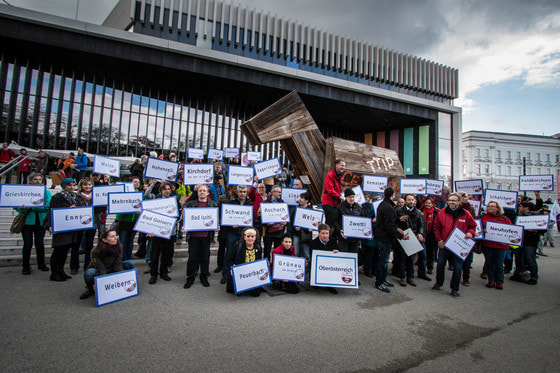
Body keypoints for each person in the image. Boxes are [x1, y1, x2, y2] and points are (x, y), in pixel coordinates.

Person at [431, 192, 477, 298]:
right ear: (447, 201)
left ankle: (454, 289)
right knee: (441, 265)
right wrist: (439, 240)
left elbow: (473, 226)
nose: (451, 202)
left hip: (458, 246)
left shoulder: (466, 214)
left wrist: (471, 233)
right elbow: (436, 227)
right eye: (450, 200)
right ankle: (438, 283)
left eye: (454, 200)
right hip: (444, 244)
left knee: (457, 268)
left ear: (459, 202)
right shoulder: (441, 213)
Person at [79, 229, 135, 300]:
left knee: (130, 263)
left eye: (116, 235)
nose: (116, 238)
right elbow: (100, 267)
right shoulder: (95, 251)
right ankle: (90, 289)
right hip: (99, 269)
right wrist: (102, 282)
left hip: (112, 267)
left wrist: (126, 278)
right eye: (112, 236)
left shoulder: (119, 246)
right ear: (104, 240)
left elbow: (118, 263)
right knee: (89, 273)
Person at [14, 172, 51, 275]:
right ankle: (25, 266)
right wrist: (22, 208)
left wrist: (31, 206)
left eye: (40, 179)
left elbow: (46, 207)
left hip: (40, 223)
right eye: (35, 179)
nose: (38, 181)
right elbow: (16, 207)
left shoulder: (46, 193)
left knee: (39, 243)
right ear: (30, 181)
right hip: (26, 222)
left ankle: (41, 264)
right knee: (27, 244)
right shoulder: (24, 192)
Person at [44, 178, 81, 282]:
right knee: (58, 250)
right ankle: (54, 273)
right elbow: (52, 211)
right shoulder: (57, 197)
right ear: (64, 186)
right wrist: (50, 225)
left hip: (71, 227)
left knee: (65, 251)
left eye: (73, 185)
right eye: (69, 185)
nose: (72, 187)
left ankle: (61, 271)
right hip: (60, 227)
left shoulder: (75, 197)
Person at [184, 184, 217, 289]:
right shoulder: (191, 204)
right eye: (200, 191)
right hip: (194, 236)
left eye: (204, 190)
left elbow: (215, 218)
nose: (202, 192)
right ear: (197, 193)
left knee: (205, 257)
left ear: (207, 193)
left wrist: (216, 225)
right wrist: (184, 226)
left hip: (206, 236)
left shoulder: (212, 204)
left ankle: (204, 276)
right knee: (192, 257)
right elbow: (185, 217)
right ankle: (190, 277)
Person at [373, 188, 407, 293]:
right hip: (384, 238)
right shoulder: (388, 207)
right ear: (392, 195)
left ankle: (383, 279)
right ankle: (379, 282)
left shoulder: (384, 204)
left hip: (383, 236)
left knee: (385, 260)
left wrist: (397, 220)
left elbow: (387, 220)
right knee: (383, 261)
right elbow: (388, 226)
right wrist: (400, 236)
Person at [394, 194, 430, 287]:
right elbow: (393, 222)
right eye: (409, 200)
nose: (411, 201)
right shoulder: (398, 210)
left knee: (411, 258)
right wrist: (399, 220)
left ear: (415, 201)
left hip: (412, 237)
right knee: (401, 257)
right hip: (402, 236)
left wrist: (420, 233)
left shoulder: (419, 212)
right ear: (405, 201)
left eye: (412, 200)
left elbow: (421, 225)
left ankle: (410, 277)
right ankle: (402, 277)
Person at [146, 181, 178, 284]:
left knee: (166, 254)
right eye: (165, 189)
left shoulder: (174, 200)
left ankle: (163, 273)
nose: (167, 191)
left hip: (169, 232)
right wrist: (152, 184)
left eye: (169, 189)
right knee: (155, 255)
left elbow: (178, 215)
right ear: (161, 190)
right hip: (156, 232)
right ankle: (153, 274)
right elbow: (146, 195)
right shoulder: (156, 199)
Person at [221, 184, 253, 284]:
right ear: (237, 192)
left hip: (244, 232)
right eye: (240, 192)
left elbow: (251, 219)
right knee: (229, 252)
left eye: (244, 192)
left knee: (243, 253)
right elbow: (226, 218)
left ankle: (242, 274)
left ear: (246, 192)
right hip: (233, 232)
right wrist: (231, 224)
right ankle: (226, 274)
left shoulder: (249, 204)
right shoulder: (231, 203)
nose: (242, 194)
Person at [480, 201, 512, 289]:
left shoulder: (504, 219)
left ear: (498, 208)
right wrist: (482, 230)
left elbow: (510, 231)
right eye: (489, 206)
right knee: (489, 263)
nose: (490, 208)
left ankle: (499, 281)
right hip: (488, 244)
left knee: (499, 264)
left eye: (493, 206)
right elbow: (478, 228)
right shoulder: (483, 217)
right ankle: (491, 280)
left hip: (501, 246)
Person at [226, 227, 264, 296]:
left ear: (255, 237)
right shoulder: (238, 247)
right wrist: (232, 266)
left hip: (252, 274)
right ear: (244, 237)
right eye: (248, 236)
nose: (250, 239)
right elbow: (229, 259)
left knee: (256, 294)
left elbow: (259, 262)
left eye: (252, 236)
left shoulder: (258, 247)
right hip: (241, 275)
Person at [512, 201, 543, 285]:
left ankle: (534, 277)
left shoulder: (535, 216)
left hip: (530, 241)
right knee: (518, 258)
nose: (519, 208)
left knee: (530, 259)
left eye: (521, 206)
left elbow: (543, 228)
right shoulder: (519, 216)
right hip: (519, 240)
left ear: (526, 208)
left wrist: (534, 230)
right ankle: (519, 274)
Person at [73, 177, 97, 274]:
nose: (87, 186)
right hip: (79, 223)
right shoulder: (76, 196)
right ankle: (74, 267)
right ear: (81, 186)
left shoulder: (96, 196)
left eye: (89, 184)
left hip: (91, 223)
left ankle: (87, 265)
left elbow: (99, 210)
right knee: (76, 245)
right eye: (85, 185)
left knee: (89, 246)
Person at [114, 176, 141, 261]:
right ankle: (123, 259)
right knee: (123, 241)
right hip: (124, 221)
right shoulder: (123, 193)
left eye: (138, 182)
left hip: (134, 222)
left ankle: (128, 258)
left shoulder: (140, 194)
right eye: (135, 182)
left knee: (130, 242)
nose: (137, 183)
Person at [309, 224, 339, 294]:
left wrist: (337, 251)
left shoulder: (333, 240)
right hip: (318, 264)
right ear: (319, 233)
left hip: (330, 263)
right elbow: (312, 257)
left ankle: (330, 284)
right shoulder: (313, 243)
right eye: (323, 233)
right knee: (315, 286)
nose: (325, 235)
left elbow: (338, 250)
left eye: (326, 233)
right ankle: (316, 280)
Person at [332, 188, 362, 253]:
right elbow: (334, 221)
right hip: (344, 237)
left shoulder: (358, 207)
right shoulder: (340, 207)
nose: (352, 199)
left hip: (355, 237)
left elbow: (362, 219)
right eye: (350, 197)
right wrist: (340, 230)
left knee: (353, 254)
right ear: (346, 197)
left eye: (353, 197)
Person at [260, 185, 286, 259]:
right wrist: (266, 222)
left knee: (278, 252)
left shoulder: (282, 203)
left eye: (280, 192)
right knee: (267, 251)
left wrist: (285, 222)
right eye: (278, 192)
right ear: (272, 192)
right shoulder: (265, 203)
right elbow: (261, 217)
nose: (280, 194)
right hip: (268, 232)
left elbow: (285, 216)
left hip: (279, 232)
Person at [288, 191, 313, 267]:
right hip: (297, 234)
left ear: (307, 200)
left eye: (302, 198)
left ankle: (307, 271)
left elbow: (314, 222)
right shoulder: (295, 209)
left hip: (306, 235)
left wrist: (311, 228)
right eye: (300, 197)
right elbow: (291, 221)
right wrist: (294, 227)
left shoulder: (311, 210)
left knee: (306, 254)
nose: (300, 199)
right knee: (296, 253)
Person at [321, 159, 345, 227]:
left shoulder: (339, 177)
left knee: (335, 222)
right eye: (342, 165)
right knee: (330, 223)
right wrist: (340, 197)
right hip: (329, 203)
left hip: (336, 203)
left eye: (344, 166)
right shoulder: (329, 175)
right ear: (336, 165)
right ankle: (327, 236)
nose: (343, 167)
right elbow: (330, 190)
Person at [421, 197, 439, 274]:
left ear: (432, 204)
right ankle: (422, 268)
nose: (427, 204)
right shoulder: (420, 211)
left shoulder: (437, 212)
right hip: (423, 235)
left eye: (429, 203)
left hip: (432, 235)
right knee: (423, 253)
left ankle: (430, 267)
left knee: (431, 252)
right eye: (426, 203)